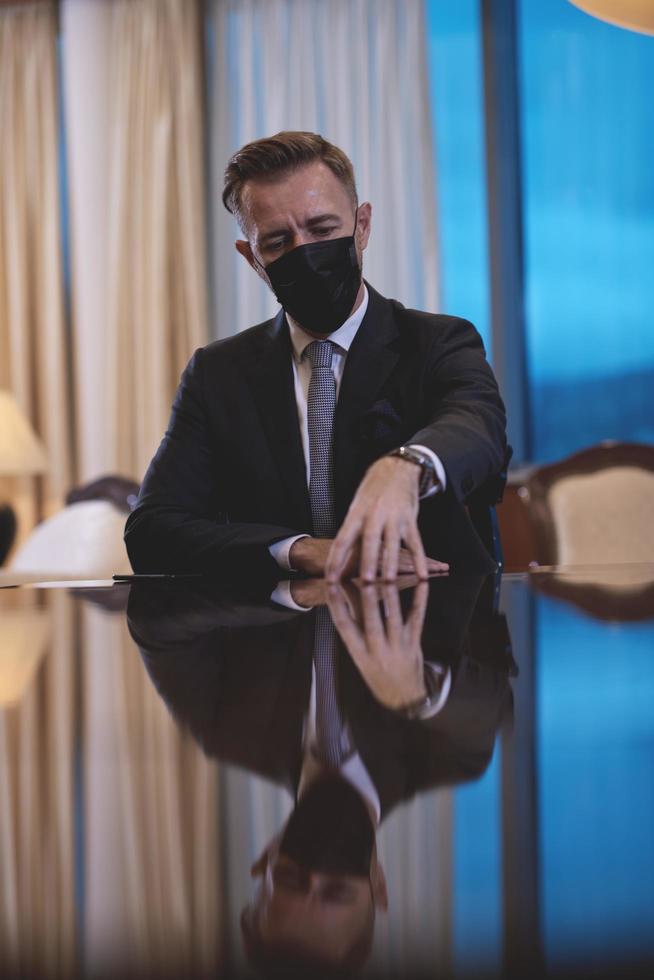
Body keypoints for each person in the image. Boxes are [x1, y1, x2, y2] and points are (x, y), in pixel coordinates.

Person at [124, 131, 508, 580]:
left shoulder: (439, 341)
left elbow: (478, 429)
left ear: (362, 226)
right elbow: (153, 530)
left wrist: (409, 464)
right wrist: (297, 551)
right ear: (252, 258)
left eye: (323, 230)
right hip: (278, 635)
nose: (304, 254)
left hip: (430, 626)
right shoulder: (216, 375)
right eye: (277, 242)